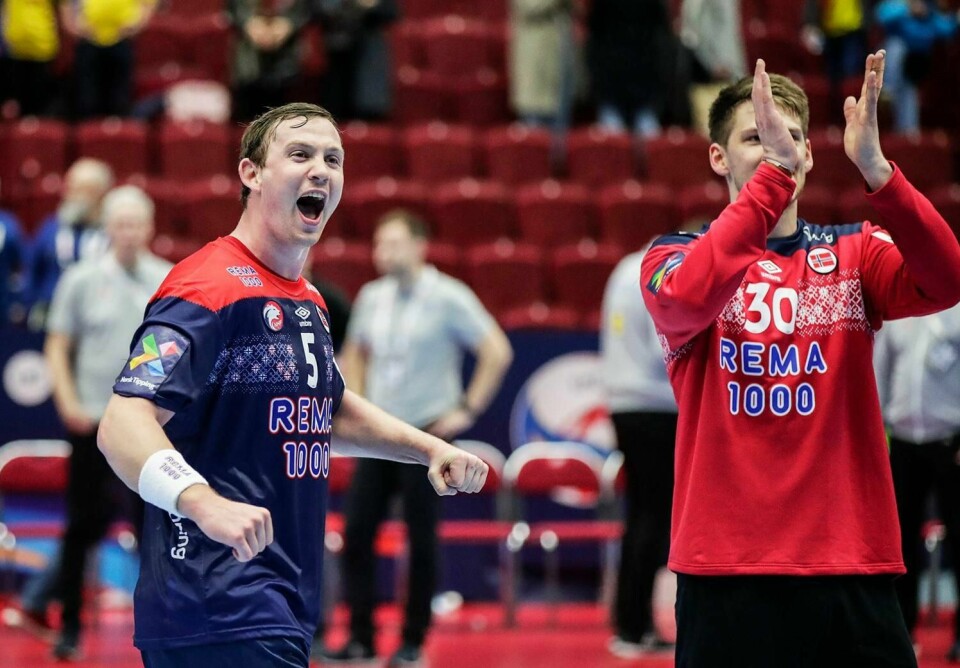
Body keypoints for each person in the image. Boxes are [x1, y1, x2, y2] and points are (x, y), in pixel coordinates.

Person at [95, 103, 489, 668]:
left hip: (278, 602)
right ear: (251, 174)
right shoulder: (206, 288)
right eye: (299, 155)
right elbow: (122, 421)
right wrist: (202, 503)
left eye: (334, 159)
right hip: (217, 602)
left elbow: (325, 410)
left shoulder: (308, 301)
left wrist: (429, 449)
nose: (321, 170)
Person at [639, 52, 960, 666]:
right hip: (726, 569)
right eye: (755, 136)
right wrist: (773, 181)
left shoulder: (855, 250)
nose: (774, 148)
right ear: (717, 156)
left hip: (851, 563)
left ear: (812, 153)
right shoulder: (672, 255)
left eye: (787, 137)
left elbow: (945, 281)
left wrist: (879, 172)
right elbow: (683, 303)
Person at [319, 209, 513, 666]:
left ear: (420, 245)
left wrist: (466, 410)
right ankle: (362, 637)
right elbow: (357, 352)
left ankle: (412, 640)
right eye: (379, 243)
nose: (383, 252)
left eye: (393, 242)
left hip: (426, 432)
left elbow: (496, 350)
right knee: (358, 532)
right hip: (381, 434)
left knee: (421, 540)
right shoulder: (371, 296)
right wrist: (358, 400)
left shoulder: (447, 295)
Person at [4, 185, 172, 660]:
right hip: (92, 423)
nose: (128, 233)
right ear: (108, 228)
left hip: (149, 428)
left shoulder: (166, 280)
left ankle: (160, 627)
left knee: (155, 529)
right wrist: (68, 400)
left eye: (136, 223)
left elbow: (174, 347)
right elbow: (58, 344)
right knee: (82, 525)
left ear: (150, 227)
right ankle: (70, 624)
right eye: (120, 224)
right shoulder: (80, 279)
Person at [601, 227, 704, 658]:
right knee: (653, 517)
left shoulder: (623, 269)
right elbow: (664, 341)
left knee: (642, 514)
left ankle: (630, 620)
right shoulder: (660, 270)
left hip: (624, 404)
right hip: (655, 406)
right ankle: (634, 623)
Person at [873, 304, 960, 661]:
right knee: (899, 544)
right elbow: (879, 373)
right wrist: (873, 431)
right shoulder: (898, 311)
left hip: (951, 443)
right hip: (904, 442)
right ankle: (901, 631)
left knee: (959, 537)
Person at [27, 158, 114, 330]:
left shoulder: (112, 234)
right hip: (50, 319)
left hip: (97, 319)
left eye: (82, 190)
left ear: (101, 194)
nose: (72, 195)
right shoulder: (50, 229)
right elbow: (32, 273)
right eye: (70, 188)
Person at [60, 0, 156, 118]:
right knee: (86, 98)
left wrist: (137, 24)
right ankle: (87, 132)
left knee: (119, 99)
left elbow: (147, 4)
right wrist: (71, 25)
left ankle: (119, 132)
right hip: (88, 40)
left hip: (122, 39)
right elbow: (66, 4)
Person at [875, 0, 958, 135]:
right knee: (895, 46)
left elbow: (946, 29)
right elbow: (881, 15)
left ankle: (908, 132)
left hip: (916, 64)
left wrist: (955, 19)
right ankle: (887, 89)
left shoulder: (930, 12)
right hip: (894, 62)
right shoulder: (901, 7)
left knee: (909, 94)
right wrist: (908, 7)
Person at [228, 0, 311, 122]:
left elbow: (309, 8)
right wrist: (248, 22)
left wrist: (288, 23)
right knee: (247, 124)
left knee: (285, 123)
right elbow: (232, 8)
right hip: (249, 62)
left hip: (288, 64)